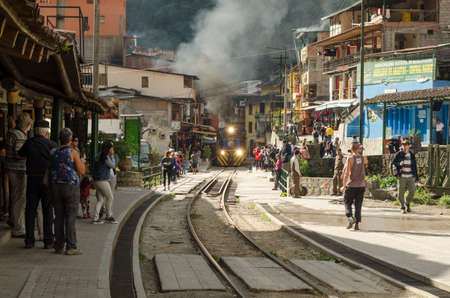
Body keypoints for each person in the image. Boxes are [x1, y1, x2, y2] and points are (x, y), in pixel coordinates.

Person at [18, 120, 57, 249]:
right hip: (46, 181)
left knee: (30, 210)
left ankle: (29, 240)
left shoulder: (29, 143)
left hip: (32, 179)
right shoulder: (52, 144)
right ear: (46, 132)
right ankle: (48, 240)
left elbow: (20, 154)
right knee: (47, 210)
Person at [50, 128, 86, 255]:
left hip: (55, 186)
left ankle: (58, 245)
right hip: (70, 186)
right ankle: (71, 246)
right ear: (70, 140)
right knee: (70, 216)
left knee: (58, 216)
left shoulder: (53, 152)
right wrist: (82, 162)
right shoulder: (73, 152)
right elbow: (82, 171)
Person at [5, 113, 32, 238]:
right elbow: (19, 153)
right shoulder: (20, 135)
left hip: (10, 168)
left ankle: (13, 220)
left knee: (14, 196)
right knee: (19, 199)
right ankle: (18, 228)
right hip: (18, 170)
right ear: (27, 124)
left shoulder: (11, 132)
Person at [341, 143, 366, 231]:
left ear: (351, 149)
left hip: (351, 185)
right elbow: (365, 163)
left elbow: (347, 173)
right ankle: (357, 225)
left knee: (347, 202)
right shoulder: (363, 158)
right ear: (359, 149)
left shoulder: (350, 158)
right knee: (358, 205)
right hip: (361, 185)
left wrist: (344, 186)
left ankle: (350, 218)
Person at [92, 142, 118, 224]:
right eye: (112, 148)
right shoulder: (106, 157)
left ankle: (95, 219)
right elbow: (113, 165)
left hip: (96, 180)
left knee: (100, 199)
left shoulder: (99, 155)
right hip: (103, 180)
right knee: (110, 197)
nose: (113, 149)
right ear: (108, 149)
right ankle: (108, 216)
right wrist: (113, 156)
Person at [392, 140, 418, 214]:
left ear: (409, 146)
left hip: (410, 176)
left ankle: (407, 203)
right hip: (402, 176)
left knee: (412, 191)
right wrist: (399, 164)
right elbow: (393, 163)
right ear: (402, 146)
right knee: (401, 193)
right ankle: (402, 207)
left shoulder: (412, 155)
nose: (404, 146)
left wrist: (416, 178)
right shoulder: (398, 154)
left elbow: (415, 167)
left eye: (406, 144)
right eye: (403, 144)